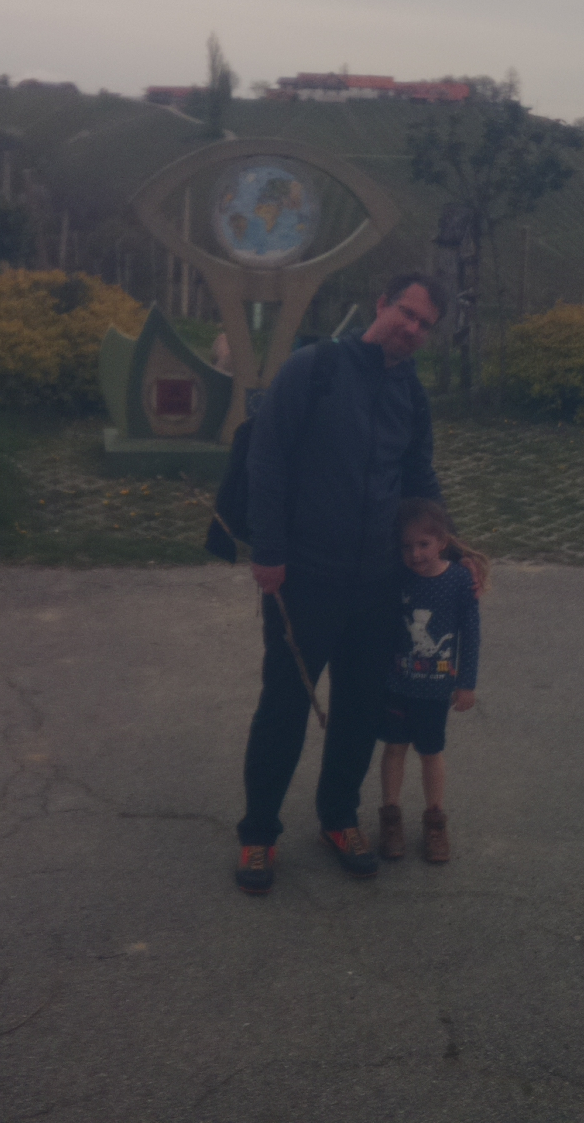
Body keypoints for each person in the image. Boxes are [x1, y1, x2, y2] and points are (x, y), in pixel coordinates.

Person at [235, 271, 448, 895]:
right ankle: (258, 832)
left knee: (361, 706)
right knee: (284, 705)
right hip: (305, 574)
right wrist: (268, 551)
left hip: (379, 580)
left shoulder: (411, 393)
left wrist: (448, 549)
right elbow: (266, 459)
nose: (412, 329)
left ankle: (338, 817)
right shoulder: (315, 369)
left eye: (425, 325)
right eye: (407, 313)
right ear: (381, 303)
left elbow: (418, 478)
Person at [377, 498, 487, 864]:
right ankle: (390, 815)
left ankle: (435, 819)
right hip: (397, 684)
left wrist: (466, 683)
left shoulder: (459, 580)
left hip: (436, 689)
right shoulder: (397, 575)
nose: (415, 554)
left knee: (431, 752)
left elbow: (471, 635)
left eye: (424, 544)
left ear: (442, 541)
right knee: (394, 748)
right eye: (407, 546)